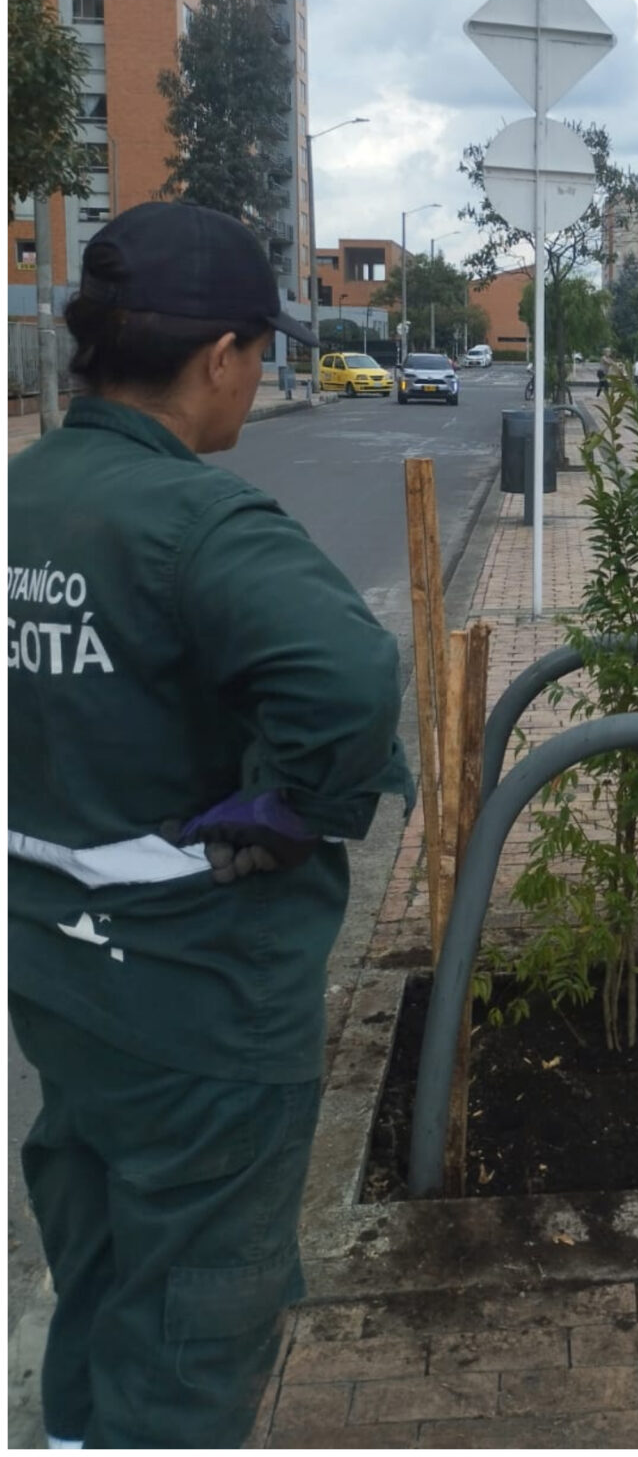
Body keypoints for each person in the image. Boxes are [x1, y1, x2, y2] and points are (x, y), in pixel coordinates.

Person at [8, 203, 410, 1449]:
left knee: (106, 1279)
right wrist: (289, 811)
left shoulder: (30, 493)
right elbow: (345, 677)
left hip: (59, 977)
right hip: (195, 998)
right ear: (222, 357)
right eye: (259, 352)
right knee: (192, 1337)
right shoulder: (195, 523)